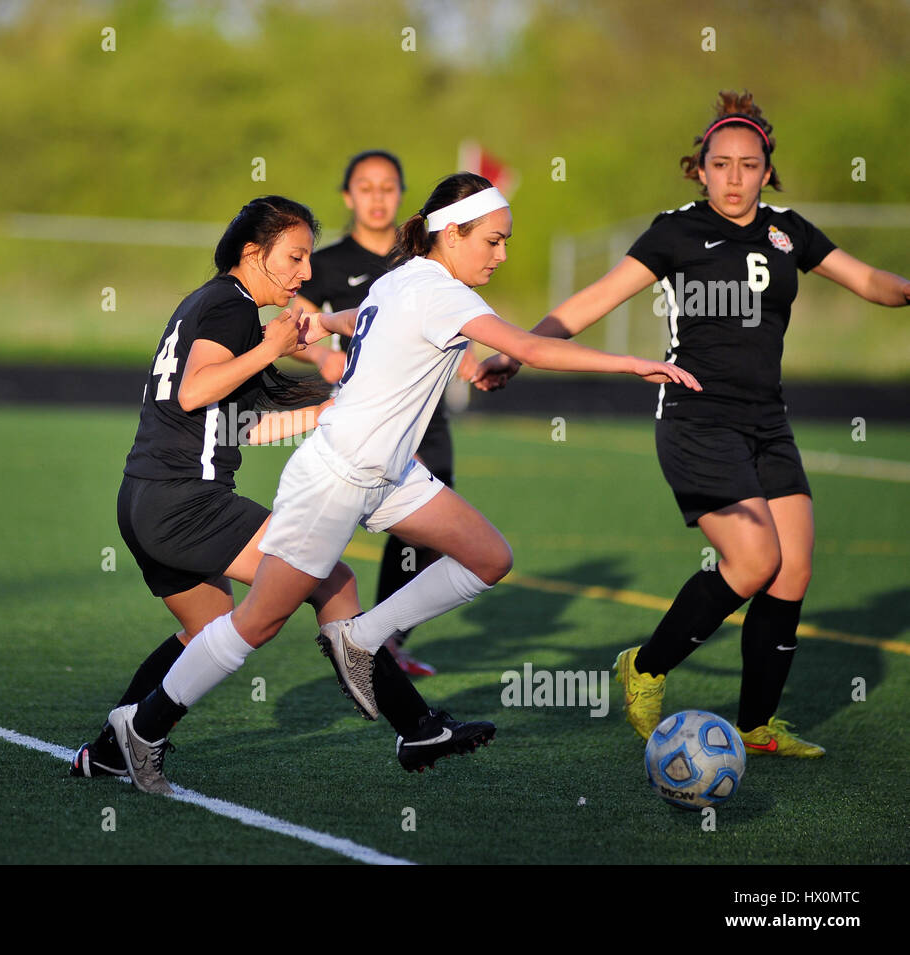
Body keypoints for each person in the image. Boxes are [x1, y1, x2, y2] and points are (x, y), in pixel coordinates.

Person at [108, 172, 701, 794]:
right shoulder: (439, 293)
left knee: (489, 557)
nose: (502, 254)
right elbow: (533, 346)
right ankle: (142, 729)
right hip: (337, 477)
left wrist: (318, 327)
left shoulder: (404, 280)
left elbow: (357, 316)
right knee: (255, 623)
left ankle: (363, 642)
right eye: (494, 241)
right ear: (453, 233)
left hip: (389, 471)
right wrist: (635, 363)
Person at [468, 91, 910, 757]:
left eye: (749, 164)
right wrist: (517, 352)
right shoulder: (676, 230)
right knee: (755, 559)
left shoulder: (789, 230)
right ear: (699, 169)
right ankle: (645, 666)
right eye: (721, 164)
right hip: (696, 418)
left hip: (769, 421)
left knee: (793, 571)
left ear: (768, 170)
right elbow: (595, 298)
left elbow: (870, 279)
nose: (735, 177)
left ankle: (759, 725)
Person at [71, 196, 482, 782]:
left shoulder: (209, 305)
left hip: (143, 499)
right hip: (189, 503)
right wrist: (268, 348)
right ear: (252, 253)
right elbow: (194, 392)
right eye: (294, 257)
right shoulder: (230, 308)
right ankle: (416, 729)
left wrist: (329, 411)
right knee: (332, 580)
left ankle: (110, 753)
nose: (306, 273)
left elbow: (245, 424)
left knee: (202, 634)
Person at [293, 149, 468, 678]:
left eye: (388, 187)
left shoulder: (419, 263)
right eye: (365, 188)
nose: (377, 197)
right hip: (364, 420)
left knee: (430, 534)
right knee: (331, 527)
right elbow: (292, 320)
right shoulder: (327, 263)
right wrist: (322, 352)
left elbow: (454, 320)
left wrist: (473, 361)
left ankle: (384, 641)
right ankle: (336, 624)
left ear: (401, 195)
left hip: (424, 417)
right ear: (348, 196)